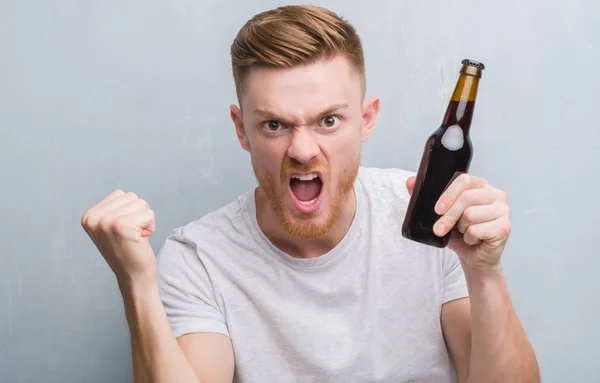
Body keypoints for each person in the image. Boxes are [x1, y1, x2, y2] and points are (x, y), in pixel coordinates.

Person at [81, 5, 540, 383]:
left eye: (328, 121)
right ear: (242, 130)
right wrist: (136, 284)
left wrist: (485, 273)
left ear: (367, 119)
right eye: (275, 124)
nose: (302, 151)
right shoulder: (200, 257)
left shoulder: (429, 217)